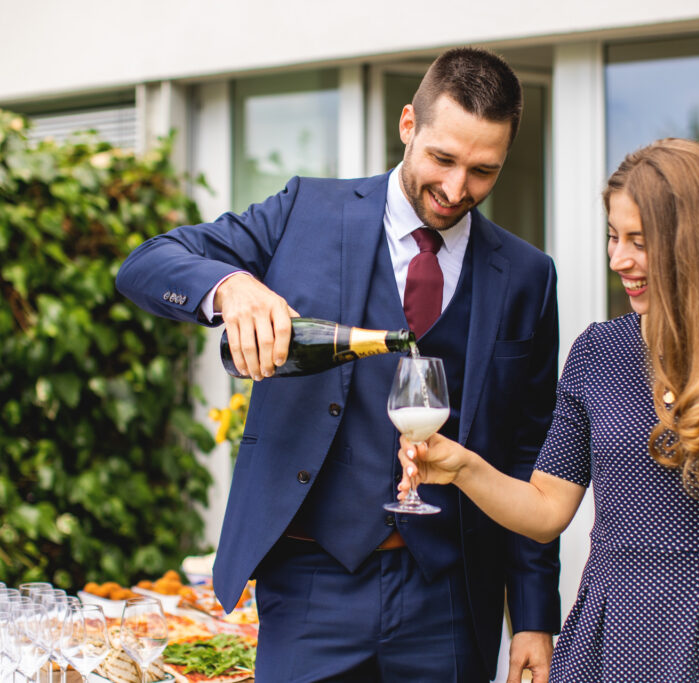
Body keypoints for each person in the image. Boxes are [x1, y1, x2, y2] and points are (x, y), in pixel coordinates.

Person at [116, 47, 561, 682]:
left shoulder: (527, 276)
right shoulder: (306, 211)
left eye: (483, 171)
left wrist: (535, 615)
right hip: (311, 584)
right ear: (408, 125)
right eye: (442, 159)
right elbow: (147, 263)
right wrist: (231, 288)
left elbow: (529, 454)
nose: (456, 189)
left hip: (454, 596)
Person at [396, 138, 699, 682]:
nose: (618, 260)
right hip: (607, 638)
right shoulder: (597, 352)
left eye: (640, 242)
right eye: (613, 237)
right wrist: (462, 467)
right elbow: (546, 510)